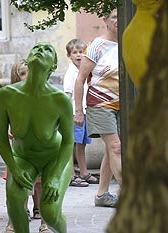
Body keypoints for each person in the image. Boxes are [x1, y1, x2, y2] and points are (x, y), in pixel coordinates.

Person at [0, 42, 74, 233]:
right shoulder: (7, 94)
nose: (40, 50)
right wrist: (13, 168)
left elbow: (68, 141)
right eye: (36, 48)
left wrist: (55, 177)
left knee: (49, 213)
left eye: (47, 50)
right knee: (14, 201)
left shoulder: (59, 99)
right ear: (28, 59)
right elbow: (0, 138)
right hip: (23, 158)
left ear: (53, 66)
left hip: (53, 159)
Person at [74, 8, 122, 208]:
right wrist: (78, 110)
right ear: (105, 20)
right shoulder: (97, 45)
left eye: (121, 16)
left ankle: (102, 195)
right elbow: (80, 79)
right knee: (116, 147)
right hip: (100, 103)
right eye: (114, 17)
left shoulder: (128, 42)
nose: (118, 20)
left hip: (123, 104)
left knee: (112, 150)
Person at [3, 59, 52, 233]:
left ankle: (45, 222)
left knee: (41, 185)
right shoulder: (12, 97)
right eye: (23, 73)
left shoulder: (44, 95)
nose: (27, 76)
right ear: (16, 78)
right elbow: (7, 118)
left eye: (30, 72)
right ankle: (14, 220)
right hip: (20, 152)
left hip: (41, 151)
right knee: (17, 186)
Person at [63, 39, 99, 187]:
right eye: (75, 53)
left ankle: (83, 173)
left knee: (82, 144)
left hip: (85, 112)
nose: (78, 55)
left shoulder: (85, 70)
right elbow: (67, 94)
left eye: (81, 52)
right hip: (74, 113)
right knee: (72, 144)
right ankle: (71, 175)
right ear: (69, 55)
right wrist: (67, 114)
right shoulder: (71, 73)